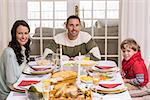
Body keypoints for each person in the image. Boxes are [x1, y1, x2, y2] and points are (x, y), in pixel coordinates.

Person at [0, 20, 31, 99]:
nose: (24, 37)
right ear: (14, 35)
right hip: (9, 95)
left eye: (26, 33)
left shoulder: (22, 49)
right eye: (20, 33)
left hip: (17, 89)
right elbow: (11, 84)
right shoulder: (9, 53)